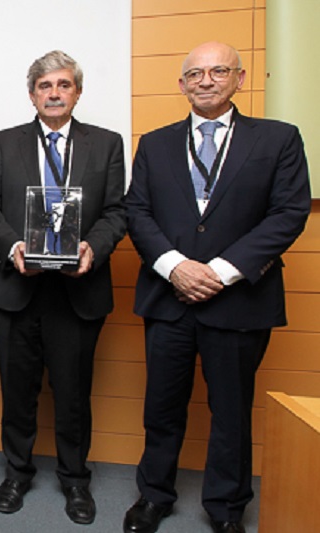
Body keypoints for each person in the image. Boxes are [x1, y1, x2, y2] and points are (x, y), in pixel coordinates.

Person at [123, 41, 310, 533]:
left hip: (240, 300)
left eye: (219, 71)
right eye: (196, 74)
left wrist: (221, 271)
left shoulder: (278, 139)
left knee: (231, 411)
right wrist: (175, 266)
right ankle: (154, 495)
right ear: (181, 83)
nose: (206, 80)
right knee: (161, 407)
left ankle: (227, 508)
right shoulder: (156, 142)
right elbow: (137, 211)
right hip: (169, 297)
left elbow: (288, 214)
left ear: (240, 78)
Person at [0, 50, 126, 525]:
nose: (54, 93)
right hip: (17, 288)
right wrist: (15, 248)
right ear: (32, 93)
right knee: (17, 391)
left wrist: (92, 250)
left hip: (77, 292)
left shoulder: (106, 144)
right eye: (45, 86)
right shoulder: (3, 143)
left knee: (73, 393)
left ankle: (75, 480)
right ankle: (16, 473)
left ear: (77, 92)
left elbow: (117, 212)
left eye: (63, 85)